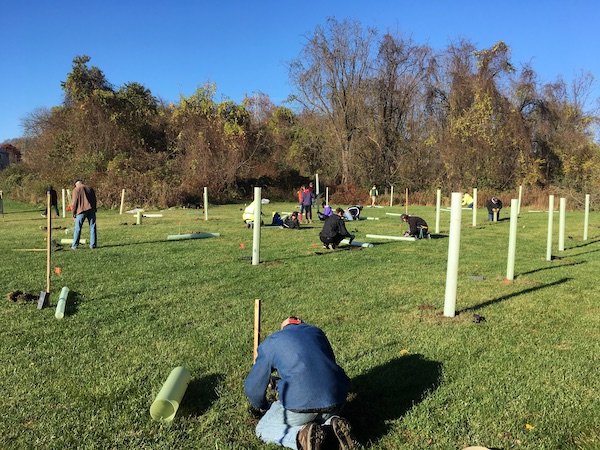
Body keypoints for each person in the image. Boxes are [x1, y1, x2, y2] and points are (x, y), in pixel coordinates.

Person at [245, 317, 360, 450]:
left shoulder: (272, 342)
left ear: (283, 328)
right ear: (301, 323)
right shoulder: (317, 333)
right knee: (318, 417)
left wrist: (263, 406)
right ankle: (332, 426)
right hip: (336, 401)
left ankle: (301, 436)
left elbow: (252, 389)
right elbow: (323, 369)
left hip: (300, 408)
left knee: (262, 428)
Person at [70, 179, 97, 249]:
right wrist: (94, 208)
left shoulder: (76, 189)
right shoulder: (90, 188)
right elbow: (94, 199)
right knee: (92, 226)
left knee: (78, 228)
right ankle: (93, 245)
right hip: (91, 209)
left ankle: (75, 245)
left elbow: (74, 202)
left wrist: (73, 213)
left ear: (76, 184)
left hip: (81, 210)